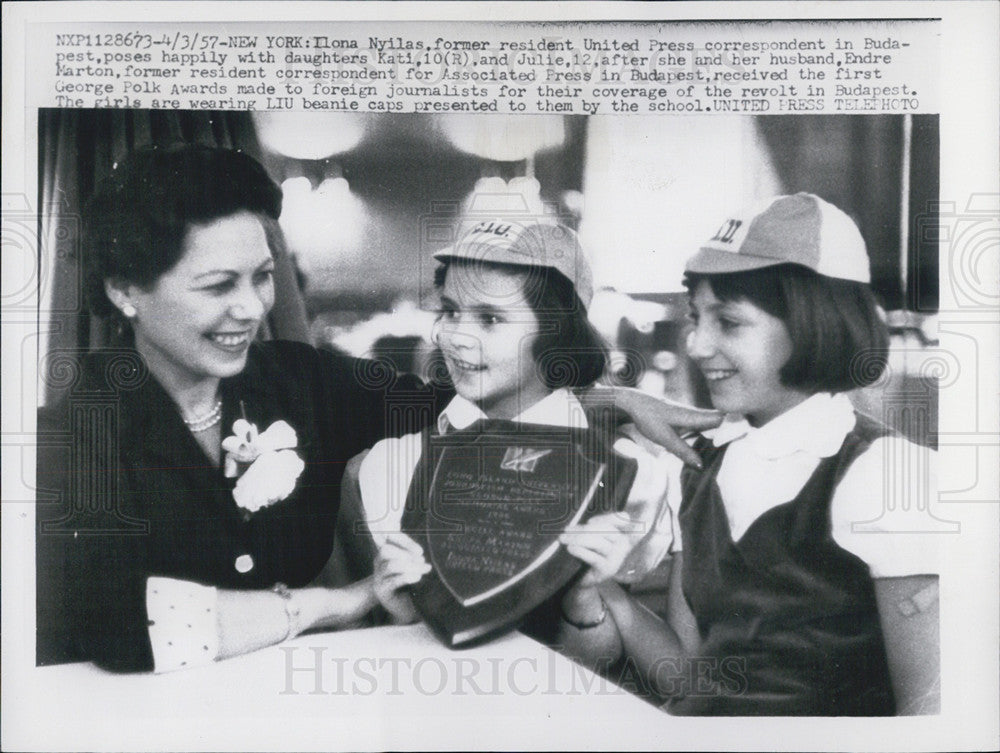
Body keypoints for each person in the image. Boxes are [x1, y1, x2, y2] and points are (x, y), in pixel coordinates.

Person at [35, 144, 717, 673]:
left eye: (262, 277)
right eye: (218, 285)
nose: (250, 309)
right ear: (125, 290)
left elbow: (461, 401)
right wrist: (344, 601)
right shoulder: (75, 430)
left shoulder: (296, 379)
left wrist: (613, 399)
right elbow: (119, 625)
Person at [558, 193, 940, 715]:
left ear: (813, 322)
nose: (696, 345)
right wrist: (600, 595)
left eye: (729, 322)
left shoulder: (885, 473)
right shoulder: (698, 465)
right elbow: (690, 676)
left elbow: (927, 713)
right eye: (697, 318)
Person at [354, 219, 687, 640]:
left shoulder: (632, 474)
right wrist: (400, 612)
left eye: (490, 318)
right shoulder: (394, 463)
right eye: (451, 311)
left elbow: (606, 660)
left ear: (557, 331)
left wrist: (586, 597)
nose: (457, 337)